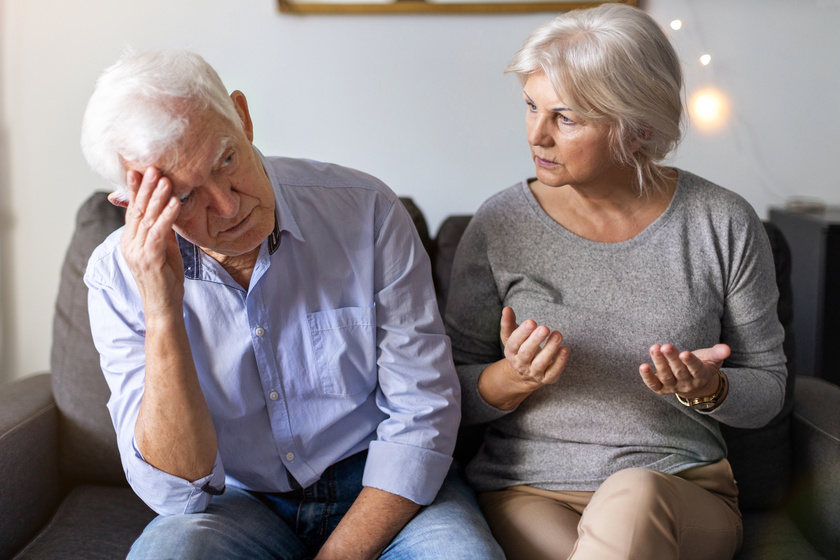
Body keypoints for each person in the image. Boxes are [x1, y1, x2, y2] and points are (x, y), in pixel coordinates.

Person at [81, 49, 503, 560]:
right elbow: (175, 492)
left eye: (226, 160)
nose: (229, 206)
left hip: (379, 483)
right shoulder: (115, 277)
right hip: (240, 502)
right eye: (185, 198)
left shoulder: (367, 211)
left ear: (242, 116)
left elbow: (422, 412)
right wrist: (162, 307)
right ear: (132, 204)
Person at [444, 4, 786, 560]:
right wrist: (512, 377)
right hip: (528, 493)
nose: (537, 135)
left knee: (633, 495)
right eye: (531, 106)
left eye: (566, 118)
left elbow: (768, 389)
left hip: (679, 491)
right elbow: (442, 391)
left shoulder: (721, 222)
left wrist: (711, 389)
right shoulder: (499, 224)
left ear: (638, 128)